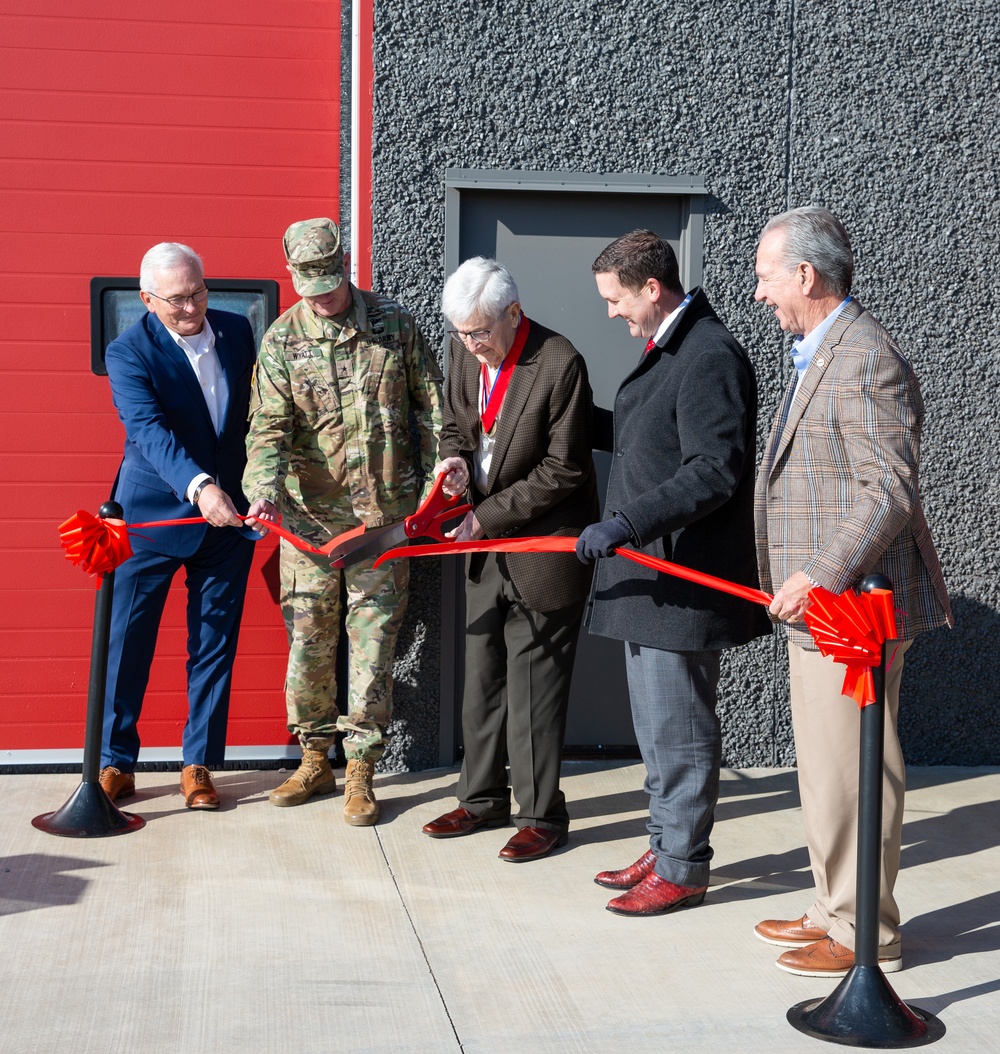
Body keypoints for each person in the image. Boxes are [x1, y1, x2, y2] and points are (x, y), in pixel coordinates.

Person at [752, 206, 952, 976]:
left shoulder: (864, 356)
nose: (760, 293)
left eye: (767, 276)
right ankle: (834, 906)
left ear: (806, 275)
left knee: (854, 768)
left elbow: (889, 488)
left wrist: (819, 571)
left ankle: (866, 933)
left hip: (851, 606)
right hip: (825, 610)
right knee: (826, 767)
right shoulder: (822, 351)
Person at [578, 229, 770, 914]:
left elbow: (714, 469)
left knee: (679, 730)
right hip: (650, 583)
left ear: (652, 288)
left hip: (679, 582)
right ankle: (664, 845)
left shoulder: (709, 354)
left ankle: (683, 866)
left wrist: (627, 523)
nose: (612, 313)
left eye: (616, 299)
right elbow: (650, 442)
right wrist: (574, 417)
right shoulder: (673, 349)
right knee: (657, 730)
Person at [243, 218, 443, 826]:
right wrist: (262, 491)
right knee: (309, 645)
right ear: (292, 278)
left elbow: (432, 412)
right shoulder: (281, 341)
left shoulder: (395, 325)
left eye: (330, 285)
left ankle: (361, 768)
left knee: (373, 648)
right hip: (309, 527)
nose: (323, 298)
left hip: (383, 525)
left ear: (346, 269)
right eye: (311, 288)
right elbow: (267, 429)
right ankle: (314, 758)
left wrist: (437, 494)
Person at [422, 258, 599, 861]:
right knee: (481, 682)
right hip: (484, 546)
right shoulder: (463, 350)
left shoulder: (560, 361)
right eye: (461, 334)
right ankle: (480, 799)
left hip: (542, 547)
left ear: (514, 313)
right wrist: (452, 462)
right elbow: (456, 425)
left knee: (533, 691)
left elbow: (564, 468)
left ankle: (541, 816)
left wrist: (486, 516)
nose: (471, 345)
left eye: (479, 333)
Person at [100, 243, 258, 809]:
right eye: (176, 300)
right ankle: (115, 762)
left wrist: (261, 485)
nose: (191, 308)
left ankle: (199, 764)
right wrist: (199, 486)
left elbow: (256, 416)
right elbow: (148, 432)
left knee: (214, 643)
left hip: (228, 518)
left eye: (198, 293)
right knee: (127, 643)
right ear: (147, 299)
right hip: (151, 517)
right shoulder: (127, 352)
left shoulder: (238, 331)